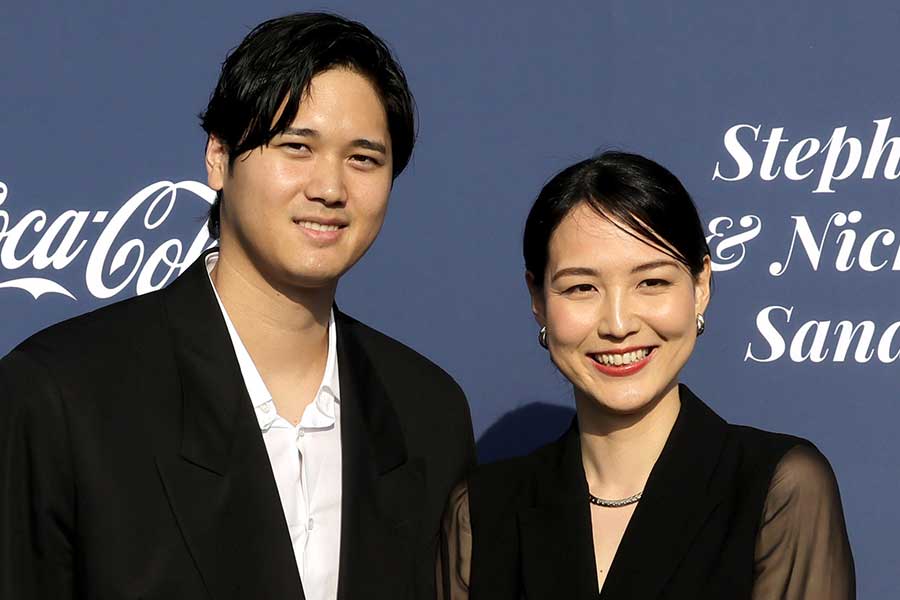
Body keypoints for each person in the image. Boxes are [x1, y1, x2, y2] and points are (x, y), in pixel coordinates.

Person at [0, 12, 475, 600]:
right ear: (218, 159)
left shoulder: (425, 410)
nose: (329, 187)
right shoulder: (63, 393)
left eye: (363, 159)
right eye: (296, 147)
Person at [438, 152, 854, 599]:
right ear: (538, 299)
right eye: (582, 288)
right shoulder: (482, 514)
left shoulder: (777, 487)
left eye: (651, 282)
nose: (618, 324)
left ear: (701, 287)